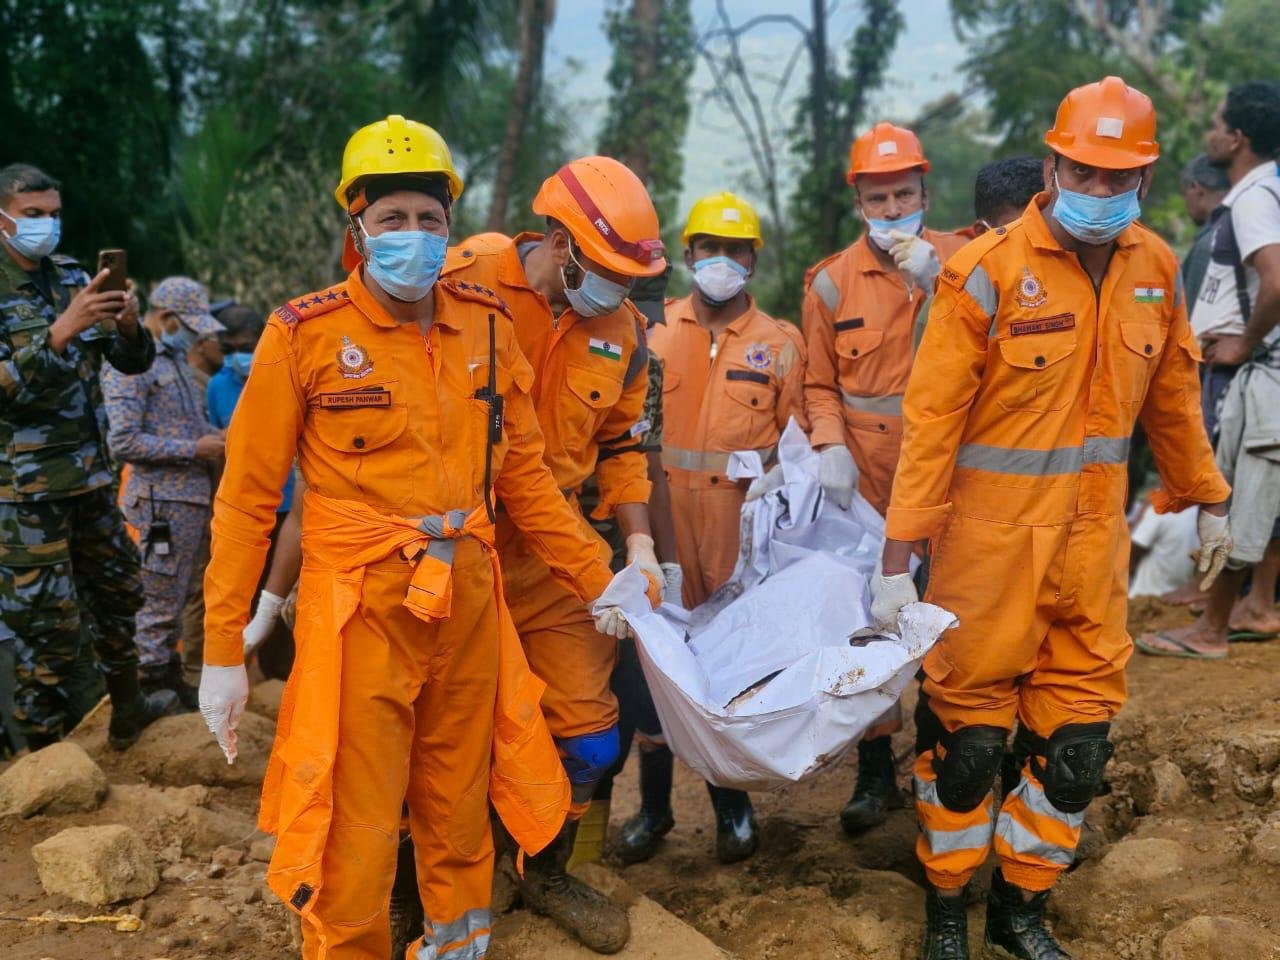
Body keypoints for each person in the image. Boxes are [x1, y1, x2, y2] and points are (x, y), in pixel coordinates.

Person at [197, 115, 641, 960]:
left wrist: (599, 574)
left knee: (457, 799)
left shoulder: (483, 323)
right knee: (358, 822)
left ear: (450, 228)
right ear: (356, 230)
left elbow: (524, 479)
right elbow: (247, 499)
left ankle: (456, 944)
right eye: (391, 220)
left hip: (468, 600)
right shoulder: (304, 333)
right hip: (358, 610)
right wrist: (225, 646)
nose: (413, 237)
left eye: (429, 220)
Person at [870, 78, 1232, 959]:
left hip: (1092, 552)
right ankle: (948, 907)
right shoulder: (985, 272)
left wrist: (1208, 495)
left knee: (1073, 749)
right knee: (967, 745)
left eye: (1121, 178)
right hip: (987, 553)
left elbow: (1176, 397)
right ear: (1053, 163)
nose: (1101, 193)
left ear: (1143, 180)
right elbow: (932, 421)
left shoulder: (1154, 268)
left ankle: (1022, 910)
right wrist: (895, 555)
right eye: (1085, 172)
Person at [442, 156, 665, 952]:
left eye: (632, 277)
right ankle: (431, 886)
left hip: (558, 552)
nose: (620, 290)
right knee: (446, 731)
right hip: (457, 541)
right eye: (605, 271)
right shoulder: (462, 279)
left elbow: (623, 446)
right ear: (558, 241)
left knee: (590, 734)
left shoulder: (625, 333)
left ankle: (544, 869)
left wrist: (636, 545)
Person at [607, 191, 808, 867]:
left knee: (728, 667)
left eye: (734, 250)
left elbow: (799, 442)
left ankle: (733, 808)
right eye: (708, 249)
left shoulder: (781, 345)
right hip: (659, 526)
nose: (720, 262)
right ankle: (655, 809)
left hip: (736, 533)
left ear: (753, 257)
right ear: (688, 254)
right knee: (653, 665)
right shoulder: (653, 330)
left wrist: (789, 479)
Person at [802, 122, 970, 835]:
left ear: (925, 192)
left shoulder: (968, 260)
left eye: (905, 192)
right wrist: (829, 443)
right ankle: (875, 775)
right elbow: (818, 384)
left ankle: (945, 762)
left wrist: (949, 284)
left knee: (954, 624)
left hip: (957, 484)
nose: (894, 205)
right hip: (870, 490)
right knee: (871, 627)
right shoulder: (833, 281)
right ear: (860, 201)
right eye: (880, 195)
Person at [0, 162, 178, 751]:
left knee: (118, 593)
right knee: (45, 624)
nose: (47, 226)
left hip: (92, 478)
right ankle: (41, 756)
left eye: (53, 214)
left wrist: (128, 328)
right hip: (25, 494)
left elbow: (132, 364)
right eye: (33, 216)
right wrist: (60, 330)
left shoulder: (75, 275)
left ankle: (127, 710)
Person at [1138, 81, 1280, 658]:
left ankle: (1211, 631)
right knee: (1263, 486)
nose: (1209, 131)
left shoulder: (1250, 199)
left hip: (1251, 372)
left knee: (1234, 489)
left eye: (1217, 122)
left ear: (1237, 138)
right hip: (1264, 369)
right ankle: (1257, 605)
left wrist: (1245, 342)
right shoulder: (1271, 189)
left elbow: (1275, 278)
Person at [102, 277, 227, 708]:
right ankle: (149, 683)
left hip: (187, 502)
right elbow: (124, 442)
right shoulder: (130, 365)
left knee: (176, 597)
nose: (196, 334)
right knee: (155, 599)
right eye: (189, 324)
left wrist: (219, 437)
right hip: (159, 505)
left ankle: (168, 676)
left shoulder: (173, 361)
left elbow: (187, 428)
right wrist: (195, 448)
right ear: (167, 318)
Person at [206, 303, 302, 673]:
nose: (237, 357)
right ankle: (238, 674)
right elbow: (222, 454)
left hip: (291, 510)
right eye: (228, 350)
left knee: (280, 596)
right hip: (242, 510)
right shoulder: (218, 386)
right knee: (239, 593)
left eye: (245, 346)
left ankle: (280, 675)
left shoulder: (285, 369)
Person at [1179, 154, 1231, 307]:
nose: (1186, 203)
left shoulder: (1208, 245)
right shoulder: (1247, 227)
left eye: (1184, 194)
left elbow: (1190, 318)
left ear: (1197, 189)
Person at [1129, 498, 1199, 599]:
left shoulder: (1163, 506)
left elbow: (1134, 549)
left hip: (1144, 597)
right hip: (1180, 601)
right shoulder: (1206, 513)